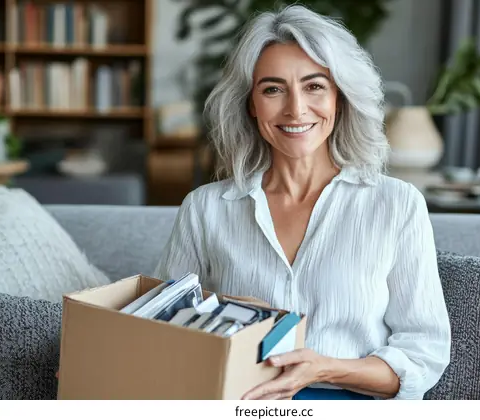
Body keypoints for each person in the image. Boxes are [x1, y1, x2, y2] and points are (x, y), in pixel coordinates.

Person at [153, 5, 451, 400]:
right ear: (250, 104)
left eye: (314, 86)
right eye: (273, 89)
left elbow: (423, 354)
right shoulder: (205, 208)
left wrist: (324, 368)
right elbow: (161, 329)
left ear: (339, 99)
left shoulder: (396, 204)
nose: (296, 109)